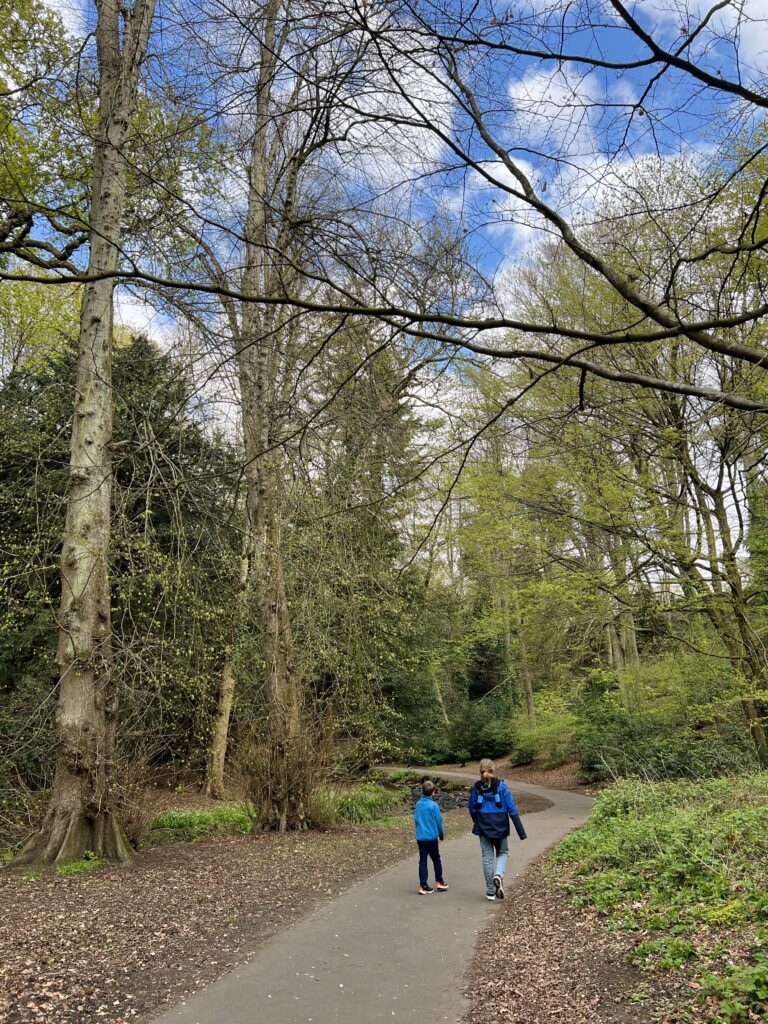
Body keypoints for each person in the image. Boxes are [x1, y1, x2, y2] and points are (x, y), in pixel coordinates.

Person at [468, 758, 527, 901]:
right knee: (503, 852)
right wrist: (521, 831)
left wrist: (478, 822)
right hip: (500, 824)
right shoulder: (501, 786)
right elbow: (511, 809)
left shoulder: (476, 788)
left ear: (480, 771)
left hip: (483, 825)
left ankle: (490, 892)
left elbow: (472, 808)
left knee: (487, 858)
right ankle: (498, 875)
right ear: (493, 770)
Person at [413, 779, 449, 895]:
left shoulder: (418, 805)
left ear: (421, 791)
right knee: (436, 859)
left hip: (421, 838)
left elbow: (416, 820)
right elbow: (439, 822)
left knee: (422, 860)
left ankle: (423, 885)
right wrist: (441, 835)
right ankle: (439, 881)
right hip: (432, 838)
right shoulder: (433, 805)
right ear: (433, 792)